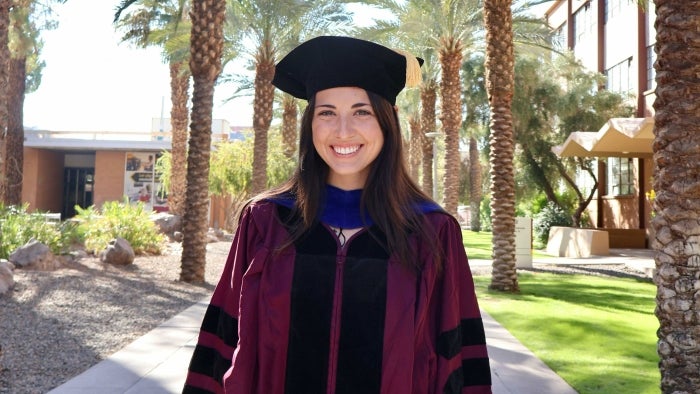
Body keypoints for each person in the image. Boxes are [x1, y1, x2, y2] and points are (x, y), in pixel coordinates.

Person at [183, 36, 491, 394]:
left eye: (362, 112)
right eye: (326, 113)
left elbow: (458, 359)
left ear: (386, 123)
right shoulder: (267, 223)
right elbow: (224, 338)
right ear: (309, 124)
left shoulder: (430, 231)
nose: (343, 131)